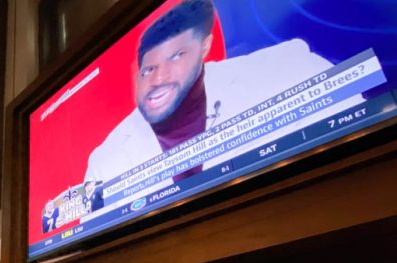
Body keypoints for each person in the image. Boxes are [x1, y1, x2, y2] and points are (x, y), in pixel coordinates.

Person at [85, 0, 363, 185]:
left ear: (204, 47)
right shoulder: (105, 159)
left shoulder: (285, 69)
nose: (158, 79)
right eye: (148, 70)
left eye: (176, 57)